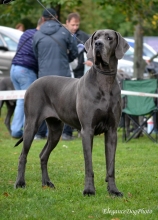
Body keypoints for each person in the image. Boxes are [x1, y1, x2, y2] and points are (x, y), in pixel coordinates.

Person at [33, 8, 78, 140]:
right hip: (63, 75)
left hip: (44, 76)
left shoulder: (37, 34)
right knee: (67, 103)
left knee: (42, 104)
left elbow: (36, 55)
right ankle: (66, 133)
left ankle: (39, 134)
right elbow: (74, 51)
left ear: (42, 19)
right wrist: (66, 60)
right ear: (57, 17)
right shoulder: (65, 32)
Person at [61, 12, 93, 140]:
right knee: (67, 102)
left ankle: (80, 129)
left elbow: (91, 50)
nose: (75, 27)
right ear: (67, 23)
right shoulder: (61, 34)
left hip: (80, 73)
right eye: (73, 24)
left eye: (77, 25)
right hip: (65, 72)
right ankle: (66, 132)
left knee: (81, 103)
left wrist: (91, 60)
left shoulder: (83, 36)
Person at [10, 18, 43, 138]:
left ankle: (15, 130)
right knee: (30, 101)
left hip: (14, 68)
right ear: (43, 24)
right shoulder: (40, 36)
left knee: (21, 100)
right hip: (26, 70)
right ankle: (28, 131)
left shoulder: (27, 32)